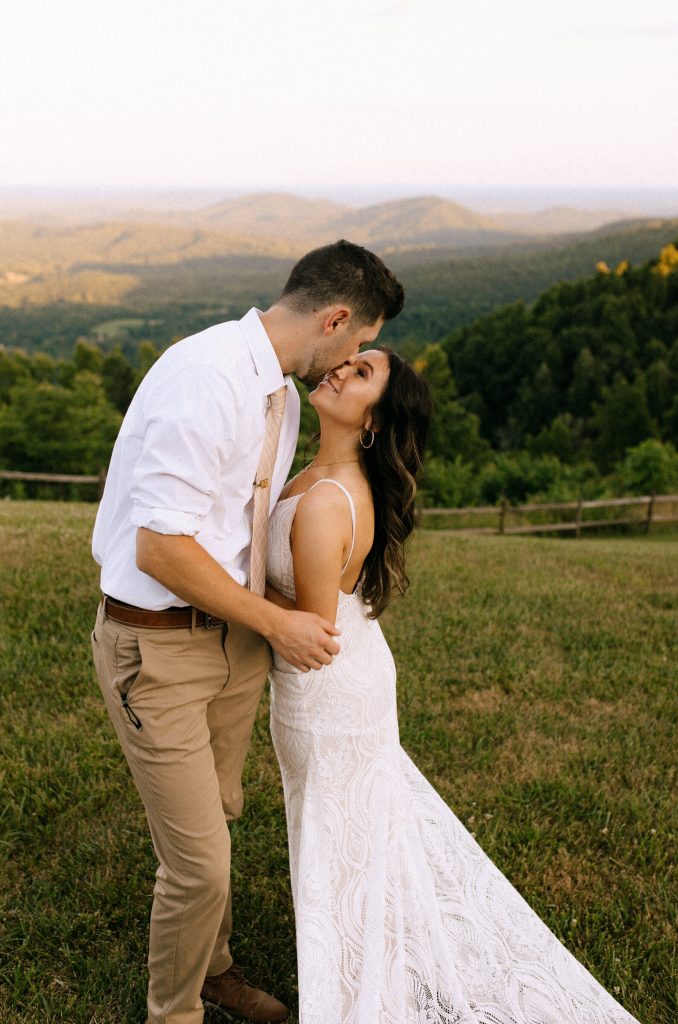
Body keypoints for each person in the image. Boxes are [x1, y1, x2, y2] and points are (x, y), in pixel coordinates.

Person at [265, 348, 641, 1024]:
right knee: (354, 839)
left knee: (341, 846)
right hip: (341, 685)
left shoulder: (326, 499)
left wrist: (226, 589)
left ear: (374, 421)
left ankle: (358, 992)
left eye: (359, 374)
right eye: (347, 362)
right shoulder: (318, 474)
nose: (338, 371)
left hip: (327, 695)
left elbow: (309, 630)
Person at [89, 239, 405, 1024]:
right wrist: (279, 623)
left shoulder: (285, 397)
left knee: (220, 820)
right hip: (156, 647)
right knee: (197, 867)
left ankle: (214, 969)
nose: (353, 355)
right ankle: (176, 1014)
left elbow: (245, 523)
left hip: (231, 645)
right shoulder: (208, 379)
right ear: (335, 319)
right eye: (360, 342)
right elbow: (159, 546)